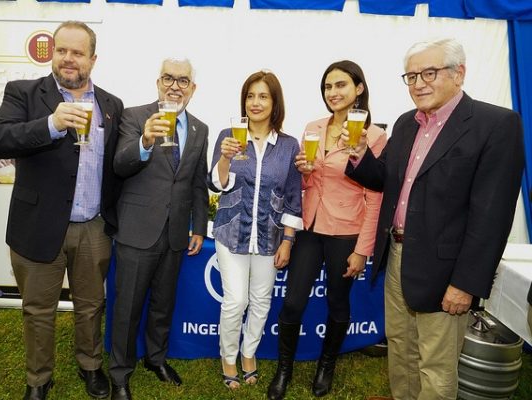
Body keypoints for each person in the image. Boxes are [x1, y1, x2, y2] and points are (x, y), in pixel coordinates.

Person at [344, 38, 524, 400]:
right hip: (396, 256)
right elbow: (385, 180)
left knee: (436, 366)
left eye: (429, 73)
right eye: (411, 76)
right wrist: (361, 157)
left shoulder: (495, 123)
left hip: (447, 270)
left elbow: (492, 215)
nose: (418, 83)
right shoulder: (406, 123)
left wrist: (466, 283)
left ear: (460, 74)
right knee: (401, 349)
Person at [0, 21, 123, 400]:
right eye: (61, 50)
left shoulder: (111, 105)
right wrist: (50, 123)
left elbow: (117, 165)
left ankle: (91, 366)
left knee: (92, 306)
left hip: (93, 227)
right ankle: (39, 379)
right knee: (38, 310)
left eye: (77, 52)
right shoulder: (24, 93)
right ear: (53, 53)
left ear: (93, 59)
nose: (68, 59)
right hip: (38, 224)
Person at [267, 61, 387, 400]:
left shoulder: (373, 136)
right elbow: (309, 179)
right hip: (309, 225)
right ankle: (284, 368)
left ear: (359, 89)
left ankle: (326, 365)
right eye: (328, 87)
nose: (333, 93)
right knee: (292, 303)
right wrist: (304, 171)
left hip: (346, 232)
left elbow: (375, 195)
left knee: (337, 302)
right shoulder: (314, 127)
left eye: (341, 86)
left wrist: (362, 249)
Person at [108, 58, 209, 400]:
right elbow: (120, 165)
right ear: (158, 81)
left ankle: (156, 358)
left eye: (183, 80)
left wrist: (199, 226)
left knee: (163, 304)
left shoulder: (200, 129)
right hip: (138, 230)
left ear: (193, 89)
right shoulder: (135, 117)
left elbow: (197, 182)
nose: (175, 86)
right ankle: (120, 374)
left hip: (176, 232)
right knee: (128, 307)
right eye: (169, 77)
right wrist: (145, 142)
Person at [209, 70, 303, 390]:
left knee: (261, 300)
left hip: (270, 235)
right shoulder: (229, 136)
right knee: (236, 301)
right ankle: (228, 357)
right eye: (250, 96)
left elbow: (293, 196)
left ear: (275, 102)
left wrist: (288, 240)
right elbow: (217, 184)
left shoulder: (289, 146)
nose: (255, 102)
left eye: (263, 96)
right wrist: (224, 159)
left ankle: (249, 353)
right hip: (230, 232)